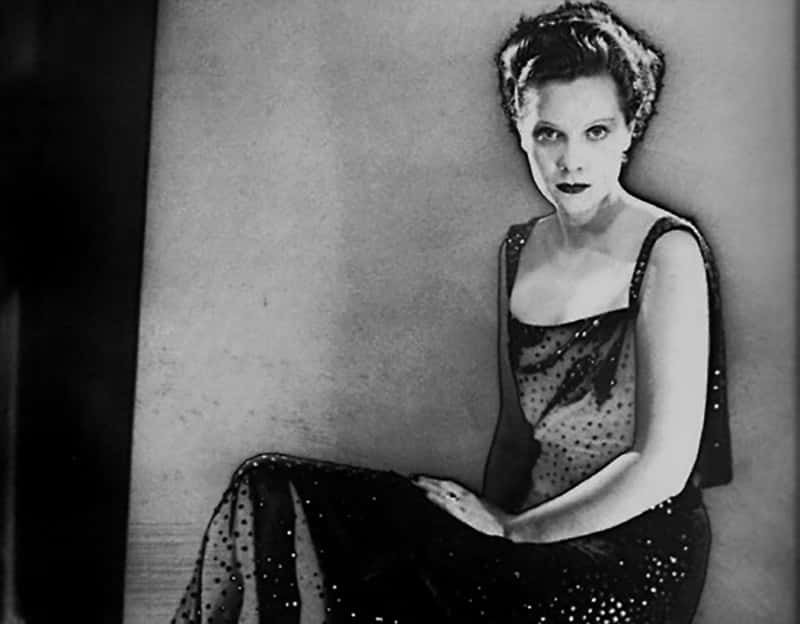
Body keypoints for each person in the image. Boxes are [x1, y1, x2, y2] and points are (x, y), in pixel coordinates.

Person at [171, 2, 732, 622]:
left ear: (630, 130)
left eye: (596, 132)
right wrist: (475, 541)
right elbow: (515, 440)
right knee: (269, 489)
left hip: (629, 555)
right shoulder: (520, 249)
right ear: (520, 130)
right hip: (521, 534)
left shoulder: (669, 249)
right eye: (549, 133)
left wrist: (511, 534)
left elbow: (662, 466)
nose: (571, 160)